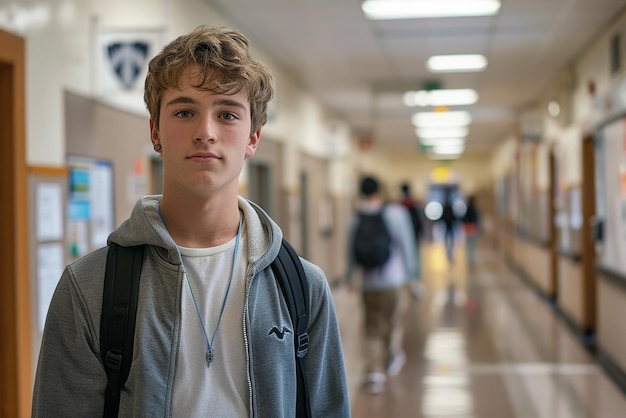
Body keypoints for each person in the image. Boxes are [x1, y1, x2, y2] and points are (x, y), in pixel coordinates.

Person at [32, 26, 350, 417]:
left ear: (253, 138)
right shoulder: (88, 288)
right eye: (184, 112)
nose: (205, 132)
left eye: (227, 114)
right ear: (156, 132)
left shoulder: (302, 287)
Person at [346, 175, 417, 395]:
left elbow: (350, 251)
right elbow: (407, 245)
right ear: (380, 191)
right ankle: (391, 356)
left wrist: (351, 278)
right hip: (394, 280)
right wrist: (411, 276)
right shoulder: (396, 214)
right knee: (393, 320)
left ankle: (374, 370)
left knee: (372, 325)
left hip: (369, 284)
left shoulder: (356, 218)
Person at [399, 182, 423, 298]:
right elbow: (417, 221)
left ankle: (407, 282)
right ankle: (414, 283)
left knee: (403, 258)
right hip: (413, 235)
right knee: (414, 259)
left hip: (401, 237)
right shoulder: (412, 204)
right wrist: (420, 233)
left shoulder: (399, 205)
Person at [463, 195, 480, 266]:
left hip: (468, 227)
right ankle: (472, 256)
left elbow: (464, 218)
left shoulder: (467, 209)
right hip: (472, 227)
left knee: (469, 242)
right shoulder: (474, 209)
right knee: (472, 242)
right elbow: (476, 219)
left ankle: (469, 255)